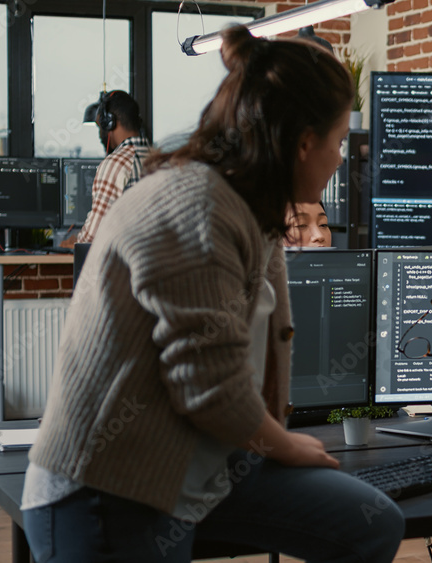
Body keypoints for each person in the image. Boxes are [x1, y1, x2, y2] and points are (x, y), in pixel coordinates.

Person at [23, 26, 404, 562]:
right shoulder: (197, 204)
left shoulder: (254, 209)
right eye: (339, 141)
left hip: (205, 467)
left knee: (371, 525)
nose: (342, 159)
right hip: (106, 489)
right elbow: (207, 387)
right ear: (301, 143)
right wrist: (289, 445)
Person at [61, 90, 152, 247]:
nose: (99, 134)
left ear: (110, 122)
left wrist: (74, 242)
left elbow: (92, 236)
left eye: (100, 126)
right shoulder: (161, 159)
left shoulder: (117, 164)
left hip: (124, 264)